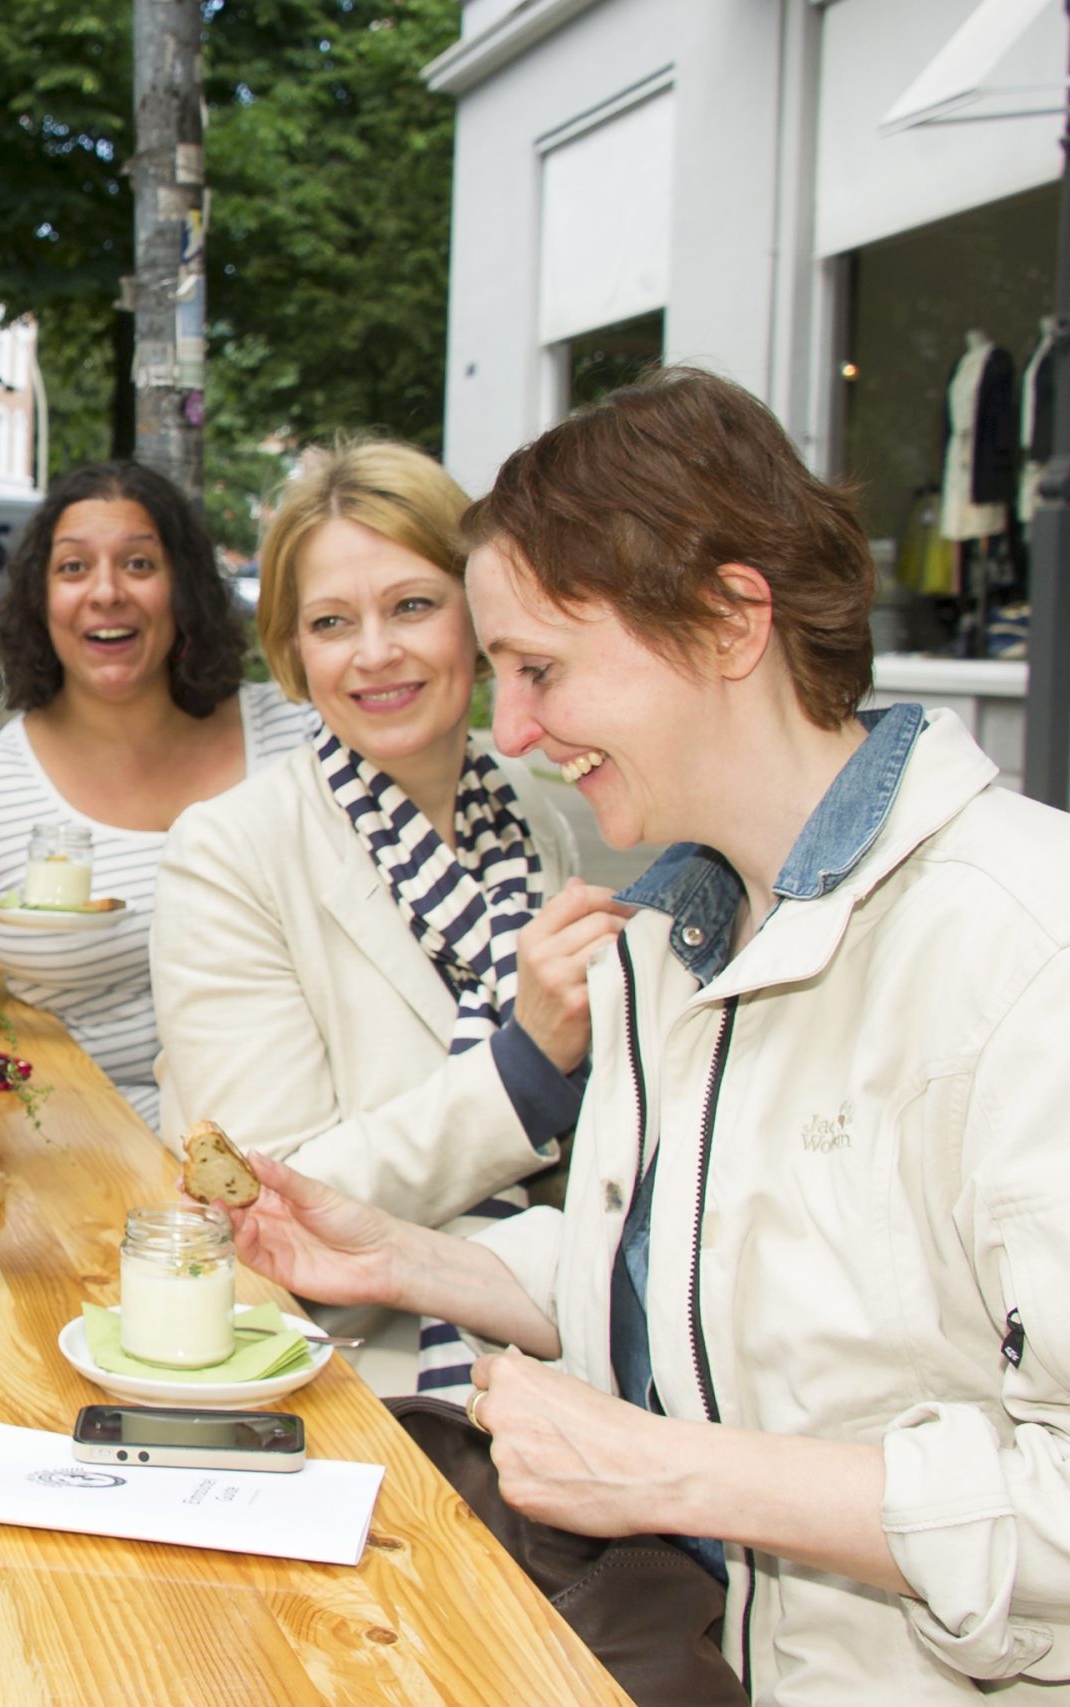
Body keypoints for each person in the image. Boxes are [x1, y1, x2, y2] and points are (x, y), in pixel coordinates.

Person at [225, 368, 1070, 1700]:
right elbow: (696, 1272)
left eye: (542, 668)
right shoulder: (682, 932)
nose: (513, 730)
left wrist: (669, 1467)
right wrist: (410, 1256)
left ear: (731, 620)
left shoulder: (1029, 950)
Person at [151, 440, 624, 1394]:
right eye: (331, 622)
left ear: (481, 618)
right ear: (294, 654)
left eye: (413, 604)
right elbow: (262, 1197)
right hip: (356, 1373)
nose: (375, 653)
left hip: (564, 1338)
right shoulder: (230, 852)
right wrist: (522, 1072)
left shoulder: (540, 815)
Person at [0, 460, 313, 1126]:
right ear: (40, 600)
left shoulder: (295, 736)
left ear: (184, 590)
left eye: (140, 564)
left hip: (296, 1134)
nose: (106, 591)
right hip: (87, 1152)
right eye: (72, 568)